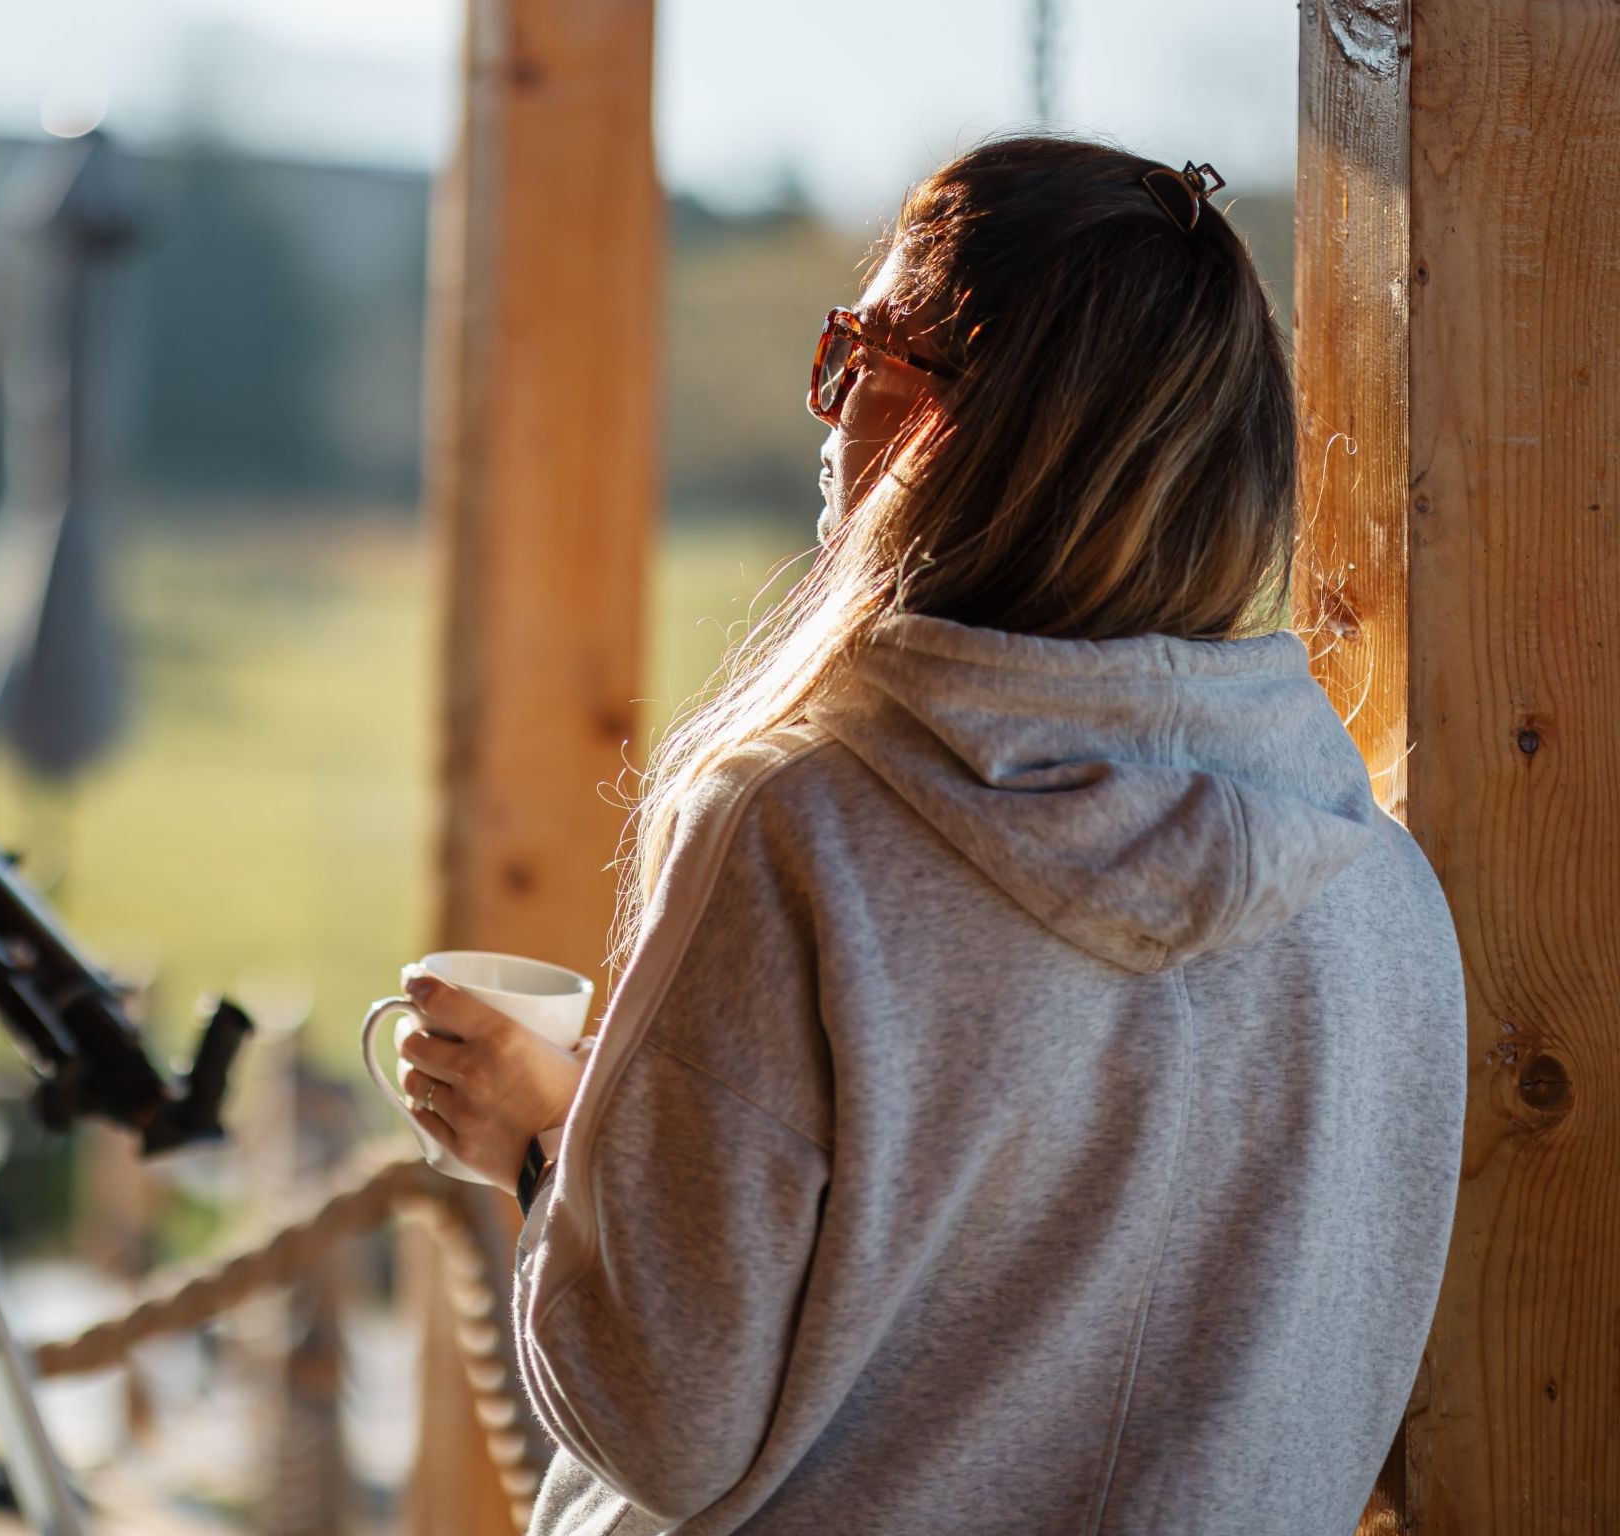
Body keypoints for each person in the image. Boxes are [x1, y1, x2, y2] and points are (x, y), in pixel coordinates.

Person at [389, 133, 1466, 1536]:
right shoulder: (1386, 897)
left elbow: (668, 1420)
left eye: (860, 352)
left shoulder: (802, 833)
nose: (827, 414)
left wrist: (555, 1158)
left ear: (949, 422)